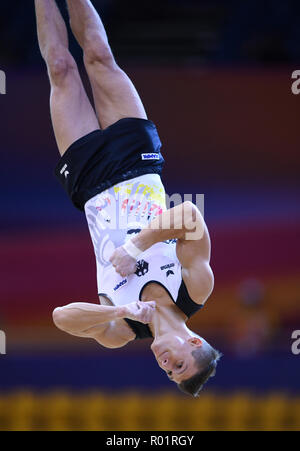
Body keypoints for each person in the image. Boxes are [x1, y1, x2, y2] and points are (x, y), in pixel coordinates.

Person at [35, 0, 221, 397]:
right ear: (194, 343)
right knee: (100, 58)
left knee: (60, 69)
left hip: (89, 182)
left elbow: (61, 317)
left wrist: (120, 309)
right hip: (137, 161)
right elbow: (189, 214)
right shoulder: (196, 288)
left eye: (170, 374)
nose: (167, 366)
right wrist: (135, 246)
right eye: (179, 365)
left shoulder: (120, 330)